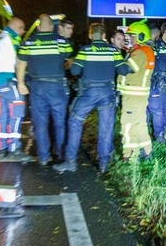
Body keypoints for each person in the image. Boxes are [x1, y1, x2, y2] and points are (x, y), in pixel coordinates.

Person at [54, 23, 134, 174]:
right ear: (104, 36)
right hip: (107, 94)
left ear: (91, 36)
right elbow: (123, 70)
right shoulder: (113, 51)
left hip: (88, 93)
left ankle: (70, 161)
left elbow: (75, 70)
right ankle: (104, 164)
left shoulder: (85, 50)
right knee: (106, 127)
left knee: (75, 121)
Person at [16, 14, 71, 165]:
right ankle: (59, 154)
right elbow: (68, 57)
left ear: (39, 27)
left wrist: (21, 83)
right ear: (52, 27)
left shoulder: (29, 42)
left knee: (40, 123)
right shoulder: (60, 41)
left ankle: (43, 156)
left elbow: (21, 64)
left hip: (37, 87)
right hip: (57, 86)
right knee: (59, 122)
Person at [0, 17, 33, 161]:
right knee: (17, 114)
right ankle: (14, 149)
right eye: (21, 28)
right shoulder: (11, 39)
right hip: (10, 81)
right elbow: (18, 62)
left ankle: (1, 148)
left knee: (3, 115)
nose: (23, 31)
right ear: (14, 26)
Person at [119, 20, 155, 160]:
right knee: (140, 123)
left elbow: (126, 69)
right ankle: (147, 151)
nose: (130, 38)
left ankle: (128, 155)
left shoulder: (140, 53)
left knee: (127, 124)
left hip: (132, 95)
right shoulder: (144, 51)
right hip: (139, 95)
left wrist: (116, 58)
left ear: (140, 36)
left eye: (132, 35)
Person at [148, 22, 166, 142]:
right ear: (165, 31)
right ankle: (159, 134)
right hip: (159, 81)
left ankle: (164, 130)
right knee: (158, 109)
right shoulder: (156, 46)